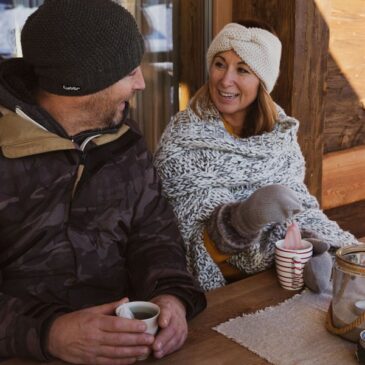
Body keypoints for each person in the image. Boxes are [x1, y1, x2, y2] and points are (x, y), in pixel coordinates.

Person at [0, 0, 206, 363]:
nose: (141, 83)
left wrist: (171, 295)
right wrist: (49, 334)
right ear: (80, 84)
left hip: (128, 346)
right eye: (128, 73)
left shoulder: (122, 138)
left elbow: (154, 233)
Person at [154, 20, 359, 292]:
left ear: (262, 81)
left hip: (277, 282)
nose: (226, 79)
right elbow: (185, 237)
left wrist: (312, 245)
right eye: (219, 64)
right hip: (224, 292)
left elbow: (300, 211)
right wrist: (243, 219)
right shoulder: (182, 138)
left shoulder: (280, 135)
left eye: (242, 69)